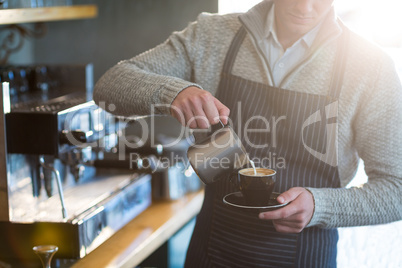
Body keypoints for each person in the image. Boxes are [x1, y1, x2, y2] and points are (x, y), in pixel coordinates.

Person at [93, 0, 402, 267]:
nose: (304, 6)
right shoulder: (212, 36)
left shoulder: (370, 67)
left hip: (306, 256)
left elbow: (397, 190)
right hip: (212, 253)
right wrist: (173, 92)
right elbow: (109, 85)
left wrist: (320, 206)